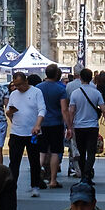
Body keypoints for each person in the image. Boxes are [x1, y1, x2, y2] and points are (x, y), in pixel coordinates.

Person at [34, 64, 71, 192]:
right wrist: (69, 126)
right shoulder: (61, 89)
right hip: (56, 123)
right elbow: (64, 109)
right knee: (55, 151)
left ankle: (36, 177)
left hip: (42, 123)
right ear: (57, 74)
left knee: (41, 151)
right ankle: (53, 180)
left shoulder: (38, 88)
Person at [3, 71, 42, 191]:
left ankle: (35, 184)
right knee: (14, 161)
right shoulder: (14, 94)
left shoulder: (36, 92)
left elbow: (42, 110)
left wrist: (37, 125)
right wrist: (10, 112)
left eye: (20, 84)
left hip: (32, 132)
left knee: (34, 160)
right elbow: (8, 111)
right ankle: (12, 185)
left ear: (26, 81)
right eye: (15, 85)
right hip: (17, 131)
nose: (18, 87)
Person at [66, 68, 105, 186]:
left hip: (79, 126)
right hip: (92, 126)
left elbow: (71, 111)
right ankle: (87, 174)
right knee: (91, 152)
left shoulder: (75, 93)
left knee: (81, 153)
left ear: (80, 78)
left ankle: (83, 175)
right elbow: (103, 109)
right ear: (91, 77)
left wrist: (69, 126)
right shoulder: (96, 92)